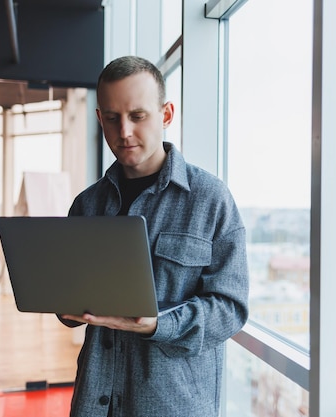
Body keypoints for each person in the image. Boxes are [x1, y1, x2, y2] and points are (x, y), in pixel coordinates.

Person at [58, 55, 249, 417]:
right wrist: (65, 305)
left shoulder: (211, 199)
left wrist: (158, 325)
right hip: (96, 401)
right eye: (112, 118)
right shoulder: (87, 204)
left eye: (138, 116)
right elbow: (71, 307)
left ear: (166, 114)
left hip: (172, 404)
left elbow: (230, 309)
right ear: (100, 119)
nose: (124, 131)